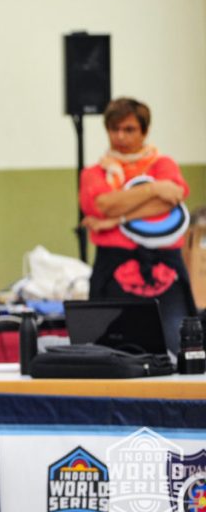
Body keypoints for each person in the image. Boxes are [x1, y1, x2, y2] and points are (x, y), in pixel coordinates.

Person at [80, 97, 195, 356]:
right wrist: (155, 189)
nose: (120, 136)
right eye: (114, 129)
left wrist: (118, 217)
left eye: (129, 129)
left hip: (165, 272)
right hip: (113, 273)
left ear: (144, 131)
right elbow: (104, 204)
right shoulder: (94, 173)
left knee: (177, 350)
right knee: (110, 354)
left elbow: (173, 199)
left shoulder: (164, 164)